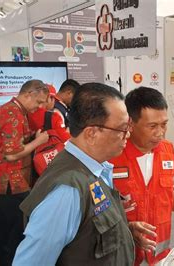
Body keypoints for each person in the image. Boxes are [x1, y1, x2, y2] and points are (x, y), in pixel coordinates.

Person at [14, 83, 135, 265]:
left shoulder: (94, 169)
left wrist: (124, 233)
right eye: (122, 129)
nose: (128, 135)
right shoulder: (67, 191)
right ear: (92, 133)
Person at [110, 87, 174, 265]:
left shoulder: (168, 150)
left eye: (164, 124)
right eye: (152, 126)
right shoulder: (111, 155)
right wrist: (128, 230)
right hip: (124, 248)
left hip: (159, 247)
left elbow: (168, 191)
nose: (160, 132)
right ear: (130, 125)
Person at [0, 80, 49, 266]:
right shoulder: (13, 113)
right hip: (9, 182)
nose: (40, 107)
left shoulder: (15, 110)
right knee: (12, 235)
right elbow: (11, 155)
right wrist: (39, 141)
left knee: (8, 232)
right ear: (28, 94)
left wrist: (31, 138)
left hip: (9, 181)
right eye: (38, 102)